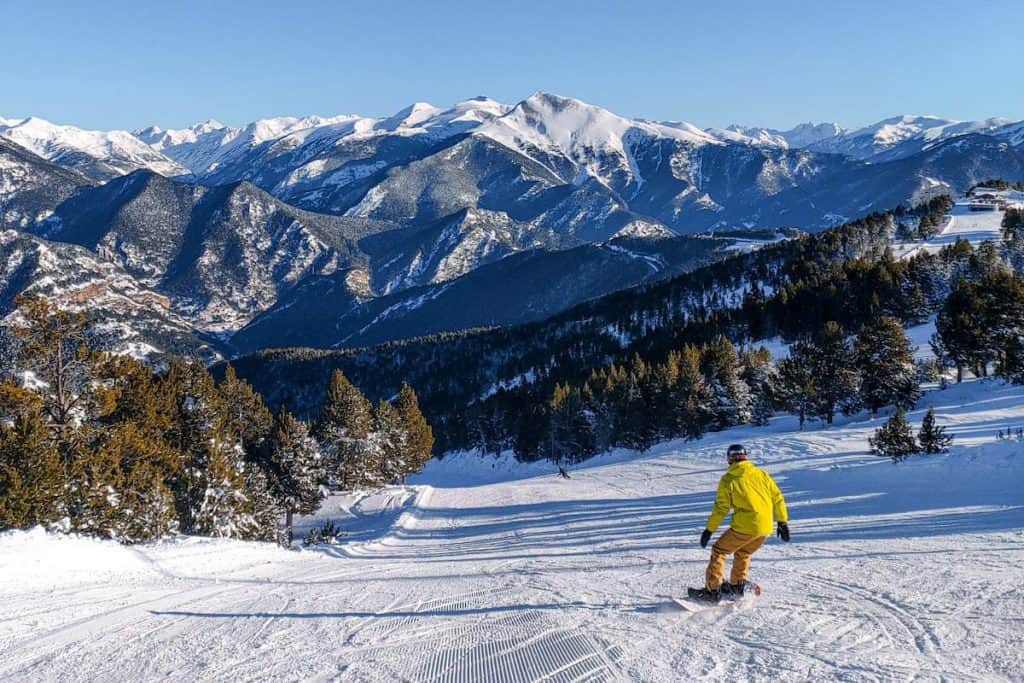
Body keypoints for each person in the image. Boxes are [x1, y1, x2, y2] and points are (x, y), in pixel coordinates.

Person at [691, 444, 789, 601]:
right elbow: (777, 497)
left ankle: (712, 591)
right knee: (743, 552)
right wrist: (782, 522)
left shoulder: (728, 479)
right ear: (746, 457)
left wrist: (709, 530)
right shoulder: (761, 474)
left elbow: (721, 508)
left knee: (719, 551)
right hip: (765, 527)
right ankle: (737, 585)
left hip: (746, 525)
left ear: (729, 459)